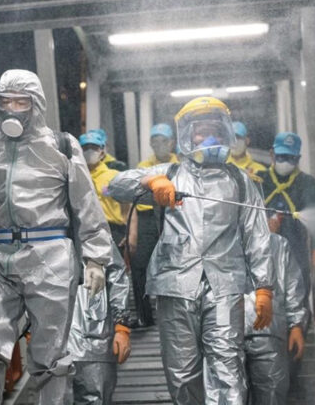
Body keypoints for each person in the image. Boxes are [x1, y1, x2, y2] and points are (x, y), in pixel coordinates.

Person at [0, 69, 112, 404]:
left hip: (50, 256)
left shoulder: (61, 146)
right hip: (0, 255)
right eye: (6, 101)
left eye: (21, 101)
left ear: (36, 104)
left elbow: (85, 203)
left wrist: (96, 258)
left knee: (49, 357)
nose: (13, 108)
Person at [107, 96, 274, 404]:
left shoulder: (239, 180)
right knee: (182, 374)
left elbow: (257, 234)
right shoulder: (170, 174)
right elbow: (113, 185)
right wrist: (150, 180)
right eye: (199, 130)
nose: (206, 136)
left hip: (225, 286)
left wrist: (264, 288)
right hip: (175, 285)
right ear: (186, 134)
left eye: (213, 128)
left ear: (224, 132)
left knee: (228, 368)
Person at [257, 132, 315, 294]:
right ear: (272, 154)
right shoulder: (258, 181)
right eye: (281, 157)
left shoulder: (307, 183)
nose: (285, 162)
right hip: (262, 255)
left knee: (297, 300)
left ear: (298, 158)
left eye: (291, 158)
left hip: (296, 253)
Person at [243, 233, 308, 405]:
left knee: (272, 392)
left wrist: (296, 326)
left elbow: (292, 283)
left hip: (267, 330)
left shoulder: (278, 243)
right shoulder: (217, 240)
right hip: (228, 333)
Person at [129, 123, 180, 327]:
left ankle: (175, 316)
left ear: (172, 143)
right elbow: (132, 196)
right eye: (155, 142)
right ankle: (144, 316)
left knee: (175, 266)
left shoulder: (181, 165)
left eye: (163, 141)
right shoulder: (144, 167)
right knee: (139, 265)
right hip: (147, 218)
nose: (159, 145)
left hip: (174, 217)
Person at [68, 245, 132, 404]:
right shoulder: (42, 231)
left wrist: (121, 326)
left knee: (95, 397)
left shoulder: (99, 237)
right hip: (55, 341)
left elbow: (118, 278)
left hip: (95, 337)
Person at [80, 131, 131, 253]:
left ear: (102, 152)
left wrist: (128, 232)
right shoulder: (77, 177)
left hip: (114, 231)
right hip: (86, 231)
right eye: (85, 148)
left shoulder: (114, 176)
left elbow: (127, 206)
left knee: (116, 270)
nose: (89, 151)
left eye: (94, 147)